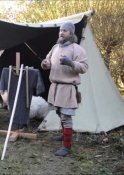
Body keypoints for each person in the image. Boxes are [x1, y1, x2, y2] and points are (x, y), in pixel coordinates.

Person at [41, 22, 88, 157]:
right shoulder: (55, 47)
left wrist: (70, 62)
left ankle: (66, 147)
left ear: (71, 33)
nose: (61, 32)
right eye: (61, 30)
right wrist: (45, 64)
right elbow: (47, 60)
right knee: (58, 113)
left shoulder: (77, 49)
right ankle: (64, 135)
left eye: (65, 31)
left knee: (66, 116)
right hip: (55, 87)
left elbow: (84, 67)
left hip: (67, 88)